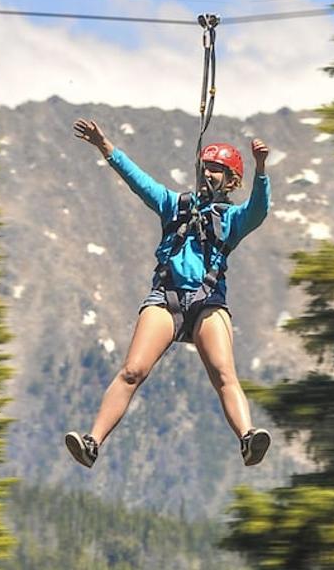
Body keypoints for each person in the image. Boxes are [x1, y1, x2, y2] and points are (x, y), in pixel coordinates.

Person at [65, 118, 272, 468]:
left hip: (208, 303)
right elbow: (138, 181)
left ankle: (248, 439)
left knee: (224, 374)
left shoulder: (234, 219)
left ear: (232, 180)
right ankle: (92, 443)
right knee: (132, 371)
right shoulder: (174, 205)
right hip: (166, 297)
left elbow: (258, 210)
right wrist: (105, 146)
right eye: (205, 167)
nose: (208, 174)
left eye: (217, 170)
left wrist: (261, 169)